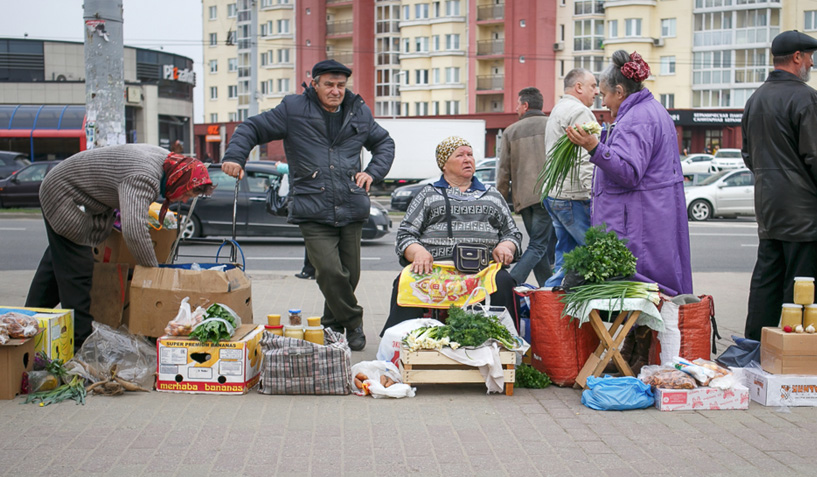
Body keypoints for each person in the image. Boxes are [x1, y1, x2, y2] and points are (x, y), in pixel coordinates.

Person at [221, 59, 395, 351]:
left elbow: (384, 144)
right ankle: (353, 322)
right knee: (328, 271)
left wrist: (373, 172)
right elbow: (251, 127)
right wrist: (236, 156)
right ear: (314, 84)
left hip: (351, 204)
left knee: (349, 275)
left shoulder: (358, 112)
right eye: (329, 84)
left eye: (341, 85)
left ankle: (330, 325)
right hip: (312, 206)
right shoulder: (293, 109)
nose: (336, 91)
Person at [25, 145, 215, 346]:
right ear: (179, 181)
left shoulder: (170, 164)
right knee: (78, 273)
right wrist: (154, 273)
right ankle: (82, 349)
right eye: (187, 194)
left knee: (61, 258)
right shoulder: (145, 177)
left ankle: (28, 318)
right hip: (64, 195)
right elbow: (134, 231)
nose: (184, 200)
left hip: (79, 195)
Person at [565, 50, 693, 296]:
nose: (603, 102)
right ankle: (644, 334)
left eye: (604, 95)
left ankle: (636, 333)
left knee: (641, 290)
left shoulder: (637, 118)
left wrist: (594, 146)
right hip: (650, 216)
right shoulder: (652, 110)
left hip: (638, 224)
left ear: (620, 92)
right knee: (659, 286)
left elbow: (629, 172)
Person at [740, 30, 817, 340]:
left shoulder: (756, 99)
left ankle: (754, 351)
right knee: (804, 295)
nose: (811, 62)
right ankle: (797, 361)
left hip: (769, 208)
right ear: (797, 58)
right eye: (810, 57)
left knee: (766, 284)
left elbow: (748, 154)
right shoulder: (805, 97)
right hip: (804, 212)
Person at [380, 136, 522, 334]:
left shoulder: (492, 195)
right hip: (437, 269)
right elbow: (405, 234)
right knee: (407, 280)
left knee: (503, 281)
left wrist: (506, 246)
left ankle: (504, 344)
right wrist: (417, 252)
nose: (467, 159)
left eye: (470, 155)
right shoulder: (428, 194)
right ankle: (399, 344)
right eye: (460, 155)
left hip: (483, 270)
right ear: (444, 165)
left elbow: (512, 233)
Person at [543, 68, 599, 285]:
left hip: (555, 193)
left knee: (565, 260)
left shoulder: (559, 109)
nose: (596, 92)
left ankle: (547, 308)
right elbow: (585, 157)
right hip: (572, 196)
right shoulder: (579, 112)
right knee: (597, 253)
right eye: (593, 86)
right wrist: (593, 192)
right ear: (579, 87)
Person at [497, 87, 555, 286]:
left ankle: (545, 288)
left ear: (526, 105)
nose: (515, 109)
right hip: (547, 194)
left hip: (523, 199)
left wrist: (500, 201)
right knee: (539, 245)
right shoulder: (552, 126)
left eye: (517, 104)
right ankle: (512, 283)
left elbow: (503, 170)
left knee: (537, 244)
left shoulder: (510, 131)